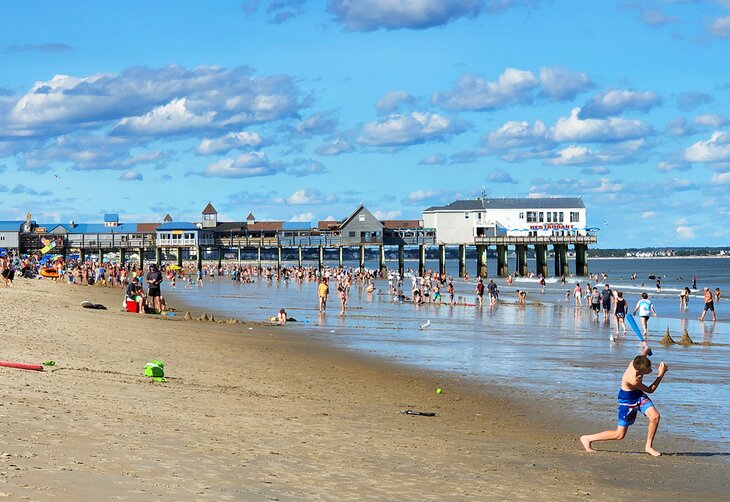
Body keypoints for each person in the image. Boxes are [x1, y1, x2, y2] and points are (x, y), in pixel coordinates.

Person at [580, 347, 668, 457]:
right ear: (639, 371)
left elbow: (643, 354)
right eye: (648, 370)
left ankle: (648, 446)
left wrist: (647, 349)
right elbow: (650, 390)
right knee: (619, 434)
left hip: (638, 395)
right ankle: (587, 438)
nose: (651, 371)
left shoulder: (636, 361)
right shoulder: (633, 380)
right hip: (627, 400)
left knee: (655, 417)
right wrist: (661, 374)